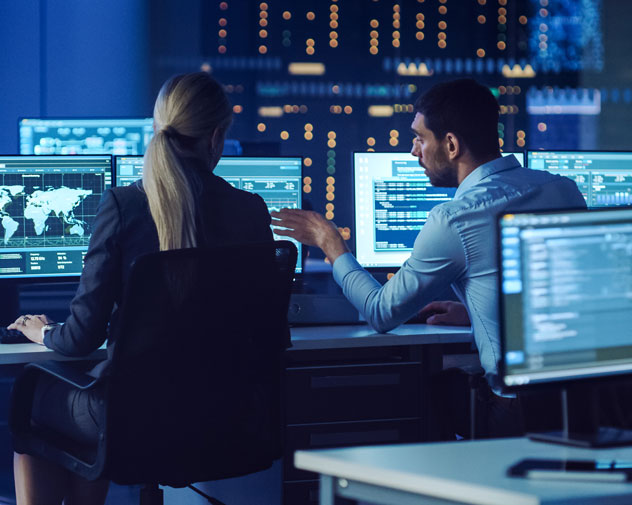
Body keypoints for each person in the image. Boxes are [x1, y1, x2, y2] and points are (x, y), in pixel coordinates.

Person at [9, 72, 273, 505]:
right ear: (217, 136)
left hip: (134, 419)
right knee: (89, 405)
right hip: (229, 418)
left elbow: (80, 339)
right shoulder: (250, 210)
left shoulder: (124, 206)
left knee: (33, 401)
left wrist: (41, 331)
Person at [272, 78, 586, 437]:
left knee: (424, 389)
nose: (413, 151)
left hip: (520, 416)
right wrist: (476, 312)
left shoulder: (455, 219)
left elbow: (380, 312)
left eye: (420, 138)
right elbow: (554, 296)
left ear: (450, 144)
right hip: (586, 403)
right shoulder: (563, 188)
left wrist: (331, 243)